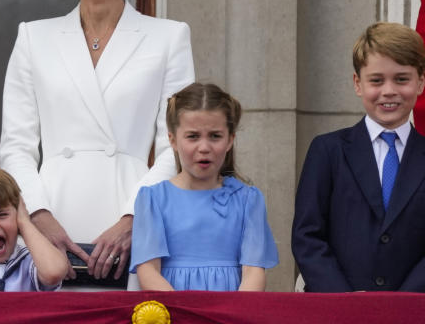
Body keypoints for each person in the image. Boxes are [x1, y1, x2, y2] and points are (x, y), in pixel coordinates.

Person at [0, 0, 195, 288]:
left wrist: (132, 219)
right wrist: (37, 215)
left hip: (133, 221)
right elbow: (15, 147)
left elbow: (176, 146)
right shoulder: (34, 37)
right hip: (51, 224)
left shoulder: (169, 37)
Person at [293, 22, 425, 292]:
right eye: (376, 80)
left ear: (421, 82)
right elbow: (307, 236)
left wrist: (404, 301)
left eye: (402, 79)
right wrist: (346, 300)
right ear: (358, 83)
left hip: (414, 312)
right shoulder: (327, 150)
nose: (389, 90)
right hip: (339, 310)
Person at [130, 83, 278, 291]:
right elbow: (149, 272)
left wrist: (229, 317)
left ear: (230, 140)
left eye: (215, 136)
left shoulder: (248, 199)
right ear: (172, 140)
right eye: (193, 136)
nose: (204, 147)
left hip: (229, 316)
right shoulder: (152, 199)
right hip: (172, 314)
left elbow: (253, 273)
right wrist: (184, 315)